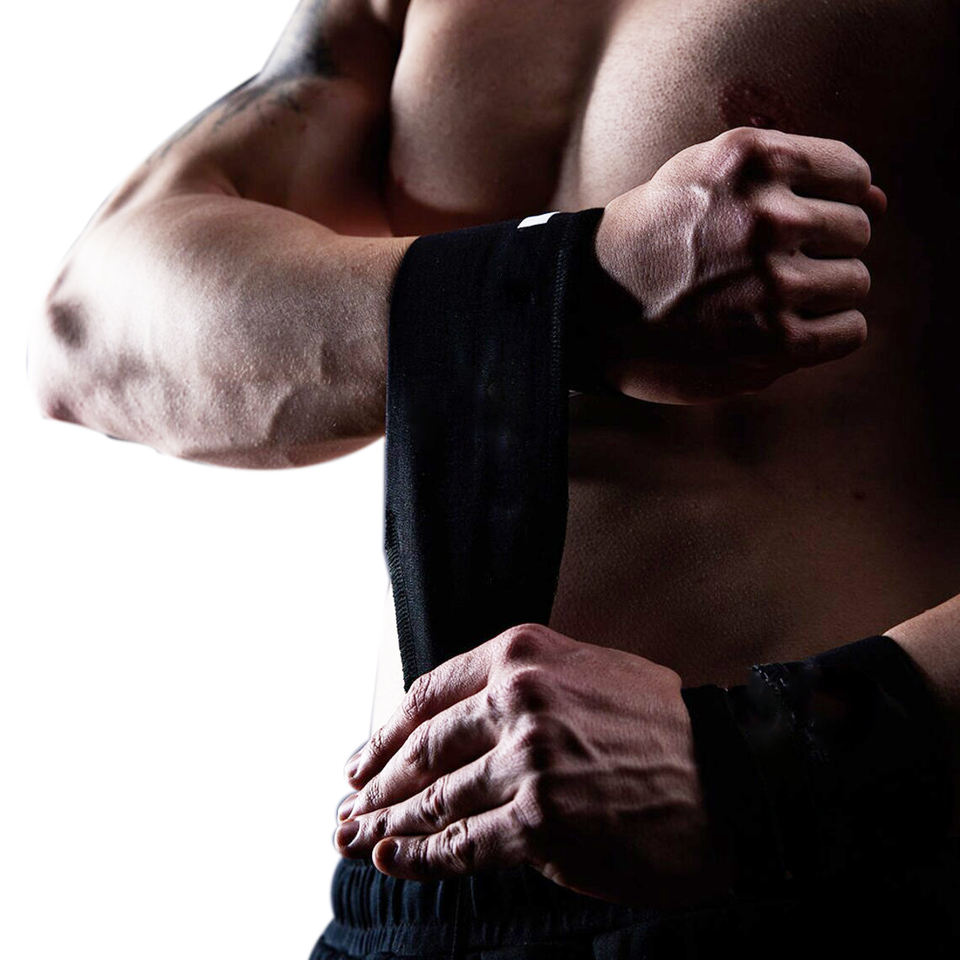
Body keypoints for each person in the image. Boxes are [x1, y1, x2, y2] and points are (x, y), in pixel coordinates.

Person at [28, 0, 960, 957]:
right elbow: (90, 328)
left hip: (820, 845)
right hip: (424, 873)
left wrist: (756, 756)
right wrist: (574, 290)